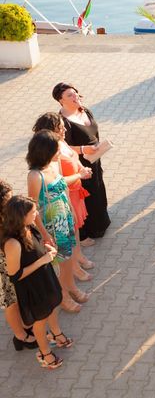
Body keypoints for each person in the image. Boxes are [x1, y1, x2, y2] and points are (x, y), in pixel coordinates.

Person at [2, 195, 69, 369]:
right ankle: (44, 353)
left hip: (44, 277)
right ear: (21, 216)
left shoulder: (29, 227)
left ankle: (56, 333)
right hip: (33, 287)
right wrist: (42, 261)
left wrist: (49, 250)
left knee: (53, 305)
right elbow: (15, 276)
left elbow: (38, 248)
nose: (36, 214)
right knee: (40, 321)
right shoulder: (12, 244)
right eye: (33, 212)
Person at [27, 130, 89, 313]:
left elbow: (63, 185)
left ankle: (71, 287)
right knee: (58, 264)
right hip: (51, 225)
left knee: (68, 257)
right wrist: (45, 235)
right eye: (56, 149)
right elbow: (33, 207)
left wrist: (71, 209)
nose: (59, 153)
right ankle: (63, 296)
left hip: (65, 218)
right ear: (45, 151)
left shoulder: (53, 165)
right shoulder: (34, 176)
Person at [32, 113, 95, 282]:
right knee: (69, 238)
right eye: (60, 127)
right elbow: (56, 183)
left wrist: (81, 167)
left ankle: (78, 257)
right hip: (64, 196)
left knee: (75, 230)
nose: (64, 130)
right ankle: (74, 267)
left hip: (72, 192)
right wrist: (79, 175)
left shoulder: (61, 142)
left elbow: (73, 155)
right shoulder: (50, 154)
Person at [53, 82, 111, 245]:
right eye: (69, 95)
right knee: (84, 197)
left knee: (98, 189)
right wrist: (85, 149)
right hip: (78, 165)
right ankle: (86, 232)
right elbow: (63, 146)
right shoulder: (63, 122)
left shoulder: (85, 111)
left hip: (94, 159)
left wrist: (98, 148)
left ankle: (102, 222)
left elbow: (94, 133)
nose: (75, 97)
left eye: (75, 93)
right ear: (60, 100)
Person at [0, 179, 38, 351]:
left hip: (12, 258)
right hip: (3, 266)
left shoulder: (7, 211)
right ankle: (20, 336)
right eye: (7, 198)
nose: (11, 199)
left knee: (19, 296)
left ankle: (25, 324)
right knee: (11, 302)